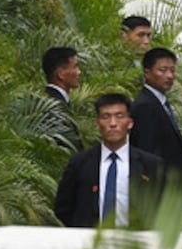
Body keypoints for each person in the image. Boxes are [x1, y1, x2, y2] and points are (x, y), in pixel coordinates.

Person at [54, 93, 163, 228]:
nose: (113, 123)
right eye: (106, 117)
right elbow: (63, 208)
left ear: (130, 123)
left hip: (133, 243)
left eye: (119, 116)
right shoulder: (80, 163)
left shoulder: (150, 165)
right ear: (98, 123)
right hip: (89, 242)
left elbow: (161, 208)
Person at [130, 47, 182, 193]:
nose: (170, 75)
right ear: (147, 72)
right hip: (161, 193)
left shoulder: (160, 102)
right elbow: (147, 152)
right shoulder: (144, 106)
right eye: (163, 70)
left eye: (172, 70)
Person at [41, 46, 83, 151]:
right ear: (61, 74)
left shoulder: (46, 100)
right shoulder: (54, 106)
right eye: (75, 67)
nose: (79, 72)